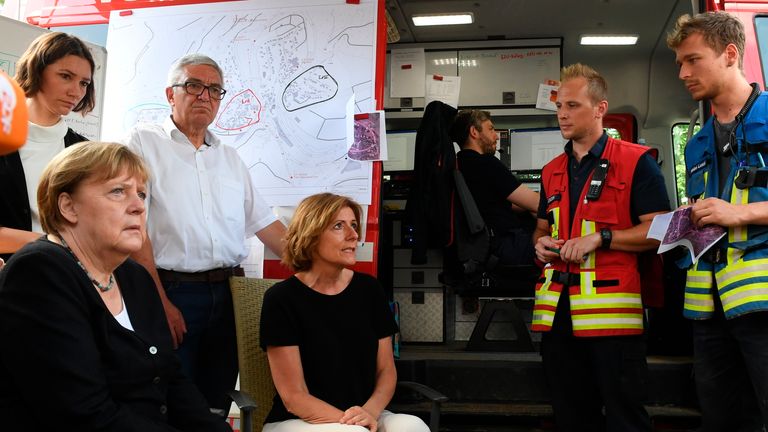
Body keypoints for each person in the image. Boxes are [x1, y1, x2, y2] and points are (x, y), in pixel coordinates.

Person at [0, 142, 231, 431]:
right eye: (118, 191)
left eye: (142, 194)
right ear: (68, 206)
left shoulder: (134, 276)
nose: (137, 206)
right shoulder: (39, 273)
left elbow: (172, 380)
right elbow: (84, 413)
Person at [124, 53, 287, 415]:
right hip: (172, 290)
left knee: (215, 399)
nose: (204, 96)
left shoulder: (229, 158)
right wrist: (159, 302)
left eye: (214, 90)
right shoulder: (142, 143)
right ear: (171, 94)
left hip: (230, 294)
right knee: (170, 399)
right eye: (193, 86)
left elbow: (267, 226)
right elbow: (135, 231)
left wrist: (319, 263)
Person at [532, 63, 670, 432]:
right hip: (557, 314)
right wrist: (540, 244)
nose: (562, 113)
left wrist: (602, 238)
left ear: (599, 109)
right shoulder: (550, 171)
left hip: (613, 317)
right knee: (571, 416)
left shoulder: (637, 161)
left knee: (625, 417)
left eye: (573, 105)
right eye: (559, 105)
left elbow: (659, 232)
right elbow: (542, 228)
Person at [667, 12, 768, 431]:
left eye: (693, 60)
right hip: (711, 310)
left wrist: (740, 212)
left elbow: (734, 210)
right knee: (721, 419)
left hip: (763, 305)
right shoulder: (697, 143)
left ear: (730, 54)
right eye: (679, 64)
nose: (683, 73)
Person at [260, 193, 429, 432]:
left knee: (413, 426)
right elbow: (293, 396)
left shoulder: (370, 289)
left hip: (363, 413)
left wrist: (369, 413)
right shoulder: (281, 299)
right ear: (311, 235)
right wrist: (354, 423)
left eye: (353, 225)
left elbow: (386, 370)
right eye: (338, 226)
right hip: (299, 420)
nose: (353, 235)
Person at [0, 32, 93, 262]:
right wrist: (53, 243)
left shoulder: (85, 151)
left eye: (84, 83)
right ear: (36, 70)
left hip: (65, 281)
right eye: (65, 76)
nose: (76, 91)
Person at [450, 109, 539, 265]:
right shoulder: (486, 163)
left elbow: (495, 204)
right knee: (558, 245)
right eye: (490, 129)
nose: (496, 135)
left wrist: (525, 206)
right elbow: (538, 204)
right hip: (505, 245)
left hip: (483, 245)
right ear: (474, 132)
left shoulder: (459, 164)